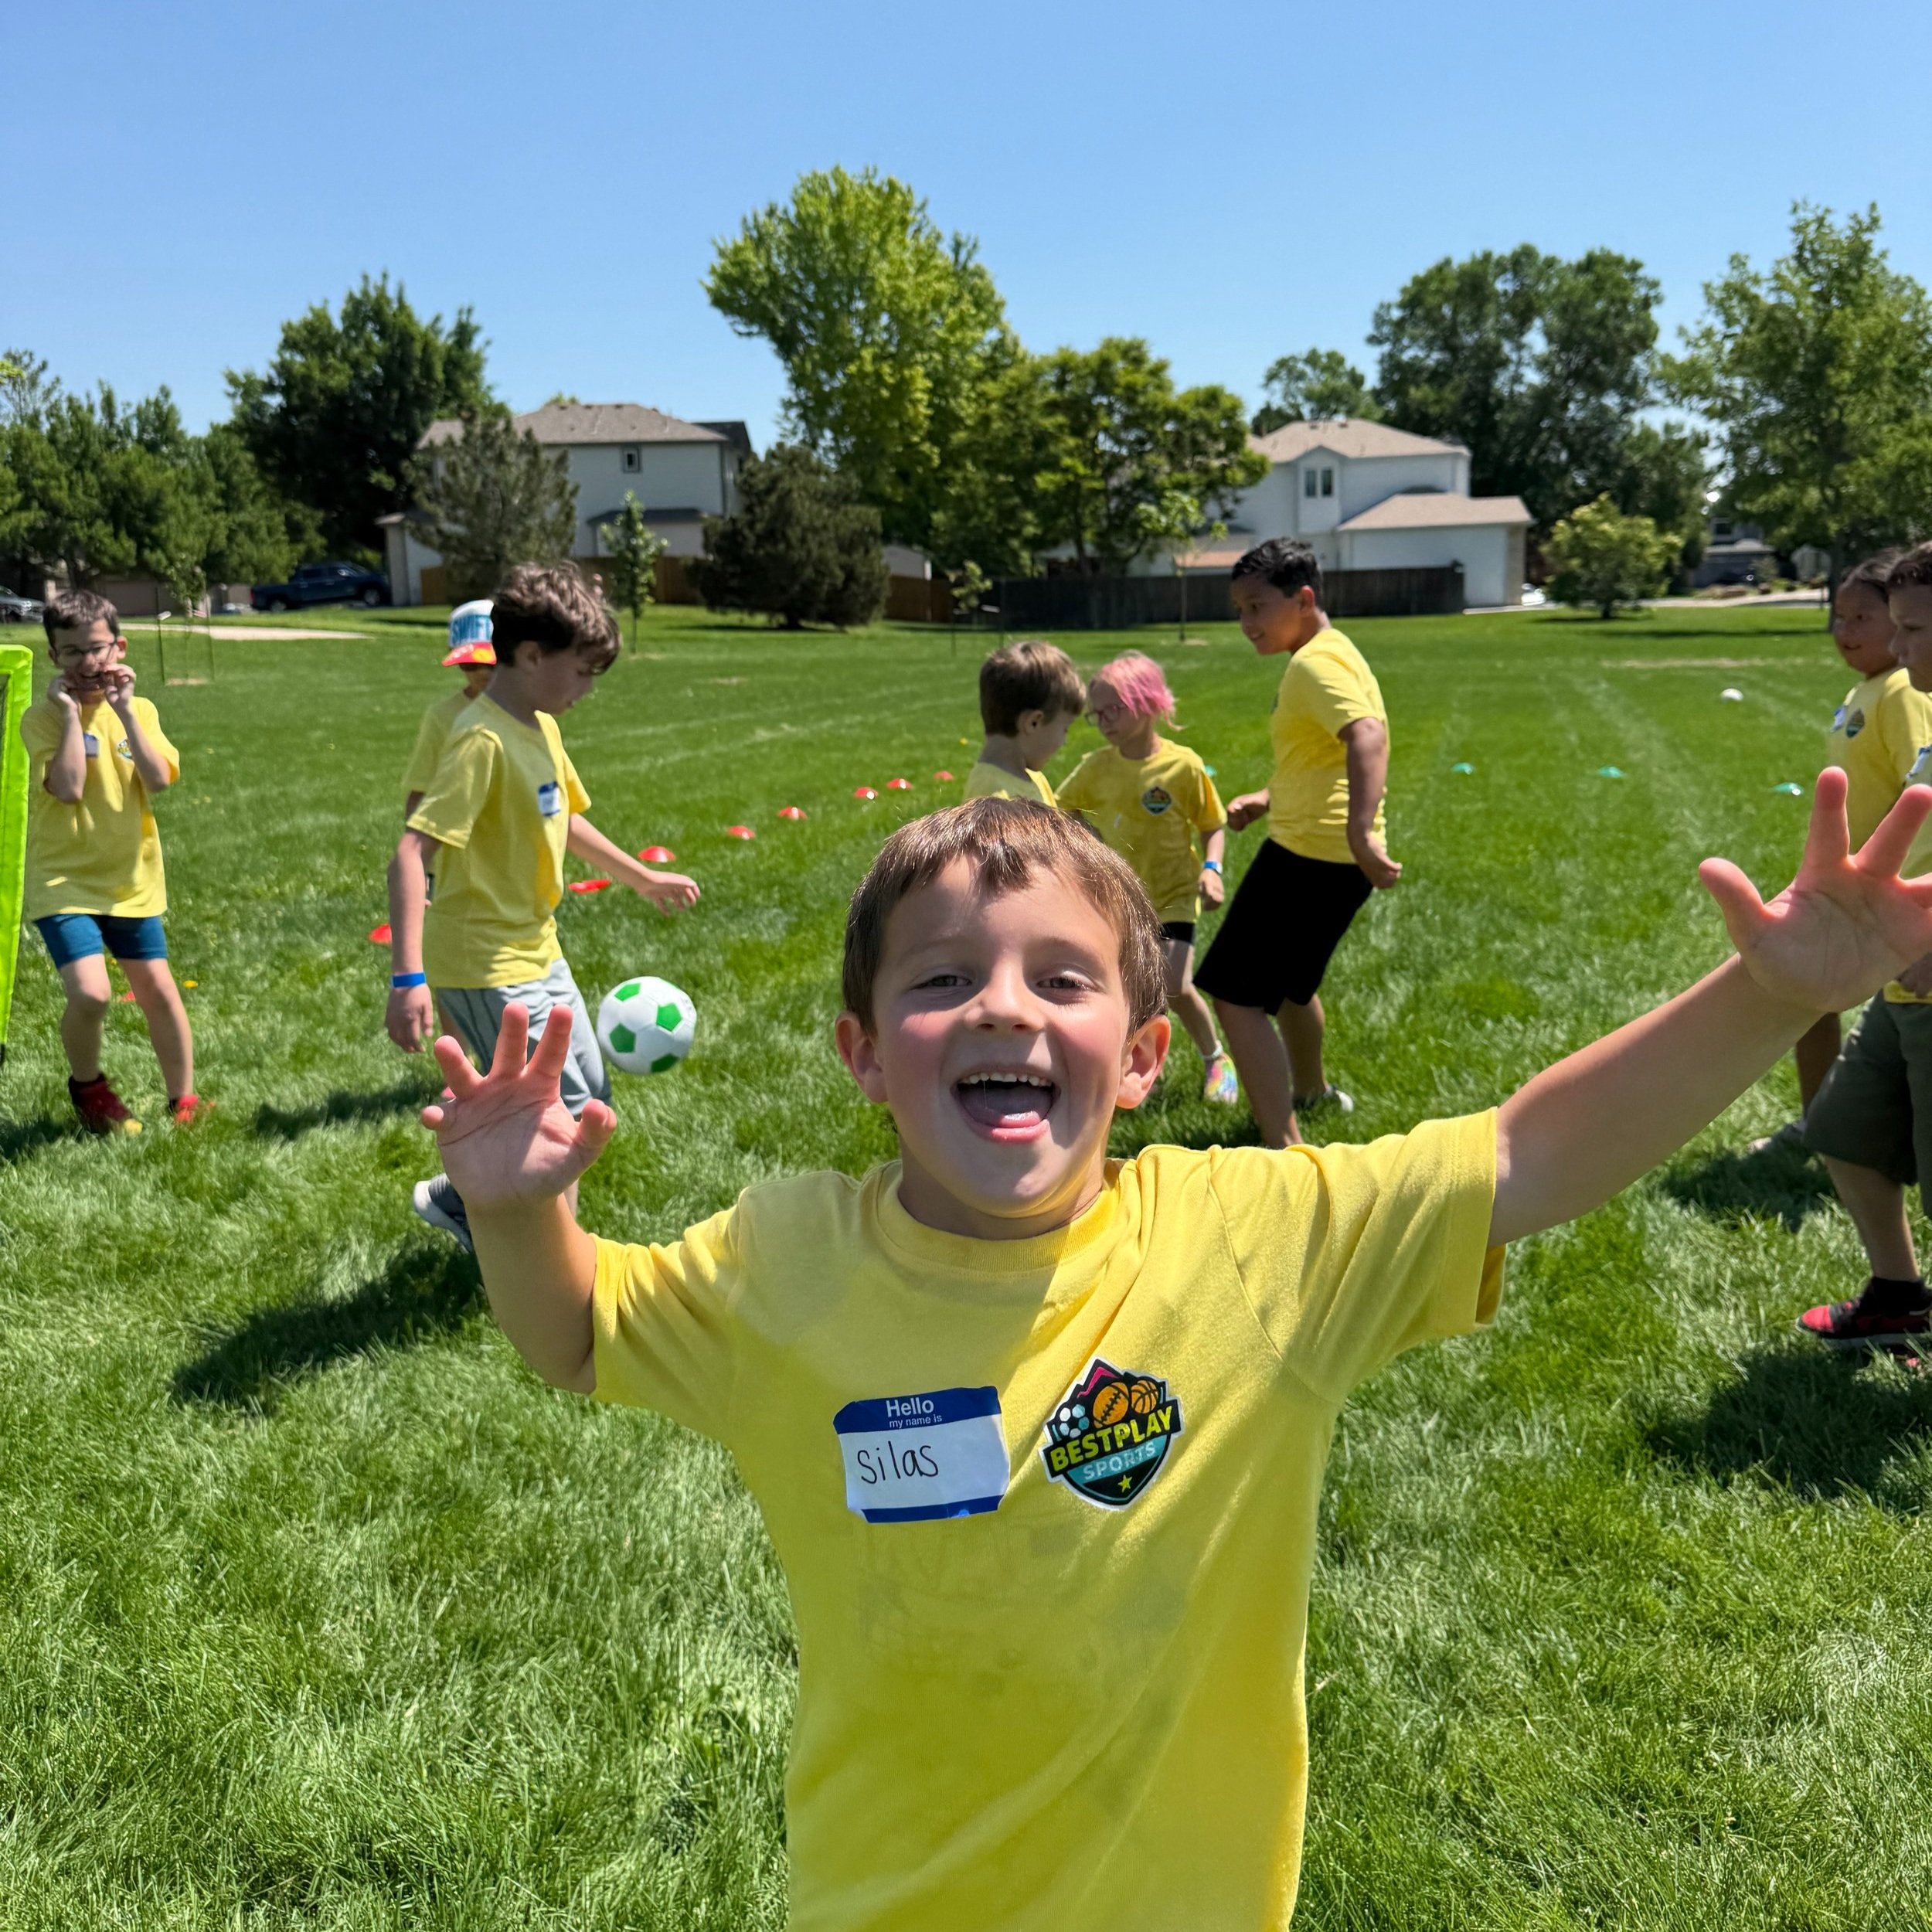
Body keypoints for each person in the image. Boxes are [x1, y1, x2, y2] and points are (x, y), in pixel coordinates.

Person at [414, 779, 1932, 1930]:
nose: (998, 1002)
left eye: (1059, 980)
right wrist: (512, 1211)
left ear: (1143, 1057)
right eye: (938, 980)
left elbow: (1527, 1156)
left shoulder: (1256, 1240)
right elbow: (579, 1332)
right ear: (864, 1053)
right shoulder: (781, 1258)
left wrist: (1775, 991)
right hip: (882, 1896)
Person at [384, 563, 699, 1252]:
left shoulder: (540, 727)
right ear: (530, 656)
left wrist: (640, 877)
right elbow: (412, 854)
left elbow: (565, 818)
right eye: (582, 672)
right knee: (559, 1114)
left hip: (538, 947)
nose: (589, 689)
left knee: (590, 1103)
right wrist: (407, 978)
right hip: (483, 959)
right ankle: (546, 1260)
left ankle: (463, 1202)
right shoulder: (482, 740)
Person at [1195, 538, 1399, 1147]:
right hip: (1324, 854)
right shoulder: (1331, 652)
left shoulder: (1314, 665)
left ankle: (1284, 1146)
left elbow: (1366, 737)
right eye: (1239, 610)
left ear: (1302, 599)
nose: (1245, 623)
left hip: (1312, 855)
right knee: (1289, 990)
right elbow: (1324, 757)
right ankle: (1312, 1092)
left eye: (1256, 606)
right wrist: (1269, 797)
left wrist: (1359, 831)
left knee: (1234, 997)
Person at [1801, 540, 1932, 1350]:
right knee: (1841, 1129)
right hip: (1902, 972)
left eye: (1914, 629)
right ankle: (1898, 1293)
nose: (1899, 644)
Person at [1755, 553, 1932, 1151]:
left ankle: (1827, 1125)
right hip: (1861, 891)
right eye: (1839, 617)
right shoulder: (1868, 688)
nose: (1845, 631)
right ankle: (1823, 1123)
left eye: (1864, 618)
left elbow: (1920, 789)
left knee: (1821, 994)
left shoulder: (1903, 692)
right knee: (1814, 994)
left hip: (1895, 898)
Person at [22, 589, 204, 1133]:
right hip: (65, 880)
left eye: (97, 648)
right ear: (54, 657)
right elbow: (70, 787)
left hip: (131, 879)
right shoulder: (41, 719)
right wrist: (72, 716)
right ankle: (89, 1088)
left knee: (159, 993)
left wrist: (124, 711)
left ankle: (185, 1102)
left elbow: (158, 779)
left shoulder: (140, 711)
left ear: (119, 647)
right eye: (72, 651)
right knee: (92, 992)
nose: (87, 662)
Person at [1057, 650, 1237, 1102]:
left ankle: (1216, 1058)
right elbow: (1059, 810)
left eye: (1113, 710)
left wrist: (1212, 869)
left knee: (1173, 984)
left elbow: (1212, 824)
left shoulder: (1183, 767)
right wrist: (1085, 839)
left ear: (1148, 702)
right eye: (1096, 714)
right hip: (1118, 899)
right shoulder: (1095, 767)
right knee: (1124, 989)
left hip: (1174, 893)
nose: (1104, 722)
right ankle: (1123, 1071)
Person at [401, 598, 497, 821]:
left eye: (492, 663)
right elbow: (420, 790)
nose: (482, 673)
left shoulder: (532, 714)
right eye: (470, 664)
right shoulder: (442, 716)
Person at [962, 640, 1083, 806]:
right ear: (1033, 722)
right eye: (1065, 728)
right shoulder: (993, 802)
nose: (1064, 741)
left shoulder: (1034, 779)